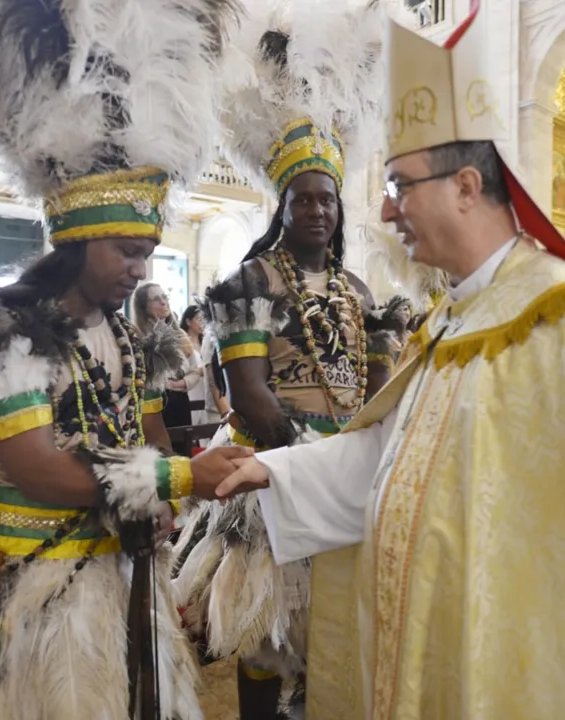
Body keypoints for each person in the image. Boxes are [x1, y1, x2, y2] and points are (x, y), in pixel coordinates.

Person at [210, 5, 565, 718]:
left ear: (467, 187)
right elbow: (394, 455)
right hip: (426, 628)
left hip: (516, 655)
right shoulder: (453, 318)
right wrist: (271, 467)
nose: (381, 206)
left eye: (401, 183)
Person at [0, 1, 248, 717]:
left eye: (148, 253)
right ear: (77, 242)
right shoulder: (0, 322)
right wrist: (177, 479)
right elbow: (36, 466)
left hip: (115, 563)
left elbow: (149, 430)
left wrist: (163, 493)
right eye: (127, 251)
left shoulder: (130, 332)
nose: (141, 270)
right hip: (23, 573)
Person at [171, 3, 398, 716]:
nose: (316, 211)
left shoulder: (359, 289)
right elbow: (250, 397)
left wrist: (365, 448)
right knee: (265, 630)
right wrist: (308, 457)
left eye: (326, 200)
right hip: (273, 467)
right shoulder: (247, 284)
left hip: (343, 470)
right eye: (302, 200)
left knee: (330, 626)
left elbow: (380, 383)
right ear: (282, 205)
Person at [134, 282, 192, 428]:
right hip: (153, 403)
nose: (163, 302)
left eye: (164, 297)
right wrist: (166, 384)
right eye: (156, 299)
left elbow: (195, 370)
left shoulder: (179, 333)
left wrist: (182, 383)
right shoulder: (138, 336)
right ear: (143, 306)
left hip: (180, 401)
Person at [179, 305, 208, 425]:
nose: (202, 323)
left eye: (204, 319)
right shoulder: (182, 342)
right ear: (188, 321)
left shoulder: (206, 342)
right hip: (192, 389)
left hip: (205, 388)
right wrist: (202, 371)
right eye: (198, 319)